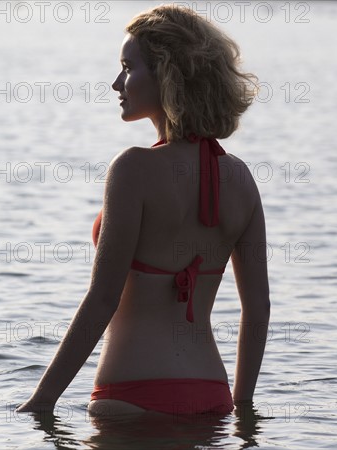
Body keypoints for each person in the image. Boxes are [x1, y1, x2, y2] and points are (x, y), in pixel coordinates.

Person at [17, 4, 270, 416]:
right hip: (212, 397)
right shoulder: (241, 178)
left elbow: (103, 298)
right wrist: (242, 408)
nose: (117, 82)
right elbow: (258, 308)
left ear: (167, 77)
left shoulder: (133, 168)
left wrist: (42, 401)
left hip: (132, 396)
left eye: (127, 68)